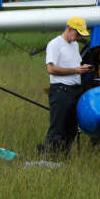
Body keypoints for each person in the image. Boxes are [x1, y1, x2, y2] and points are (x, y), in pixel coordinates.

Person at [39, 16, 91, 155]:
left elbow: (73, 64)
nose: (79, 37)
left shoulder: (74, 45)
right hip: (61, 91)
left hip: (75, 91)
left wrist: (82, 68)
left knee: (72, 128)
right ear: (69, 29)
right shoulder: (54, 44)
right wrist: (75, 70)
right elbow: (51, 69)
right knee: (57, 127)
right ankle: (49, 157)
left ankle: (63, 156)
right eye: (78, 33)